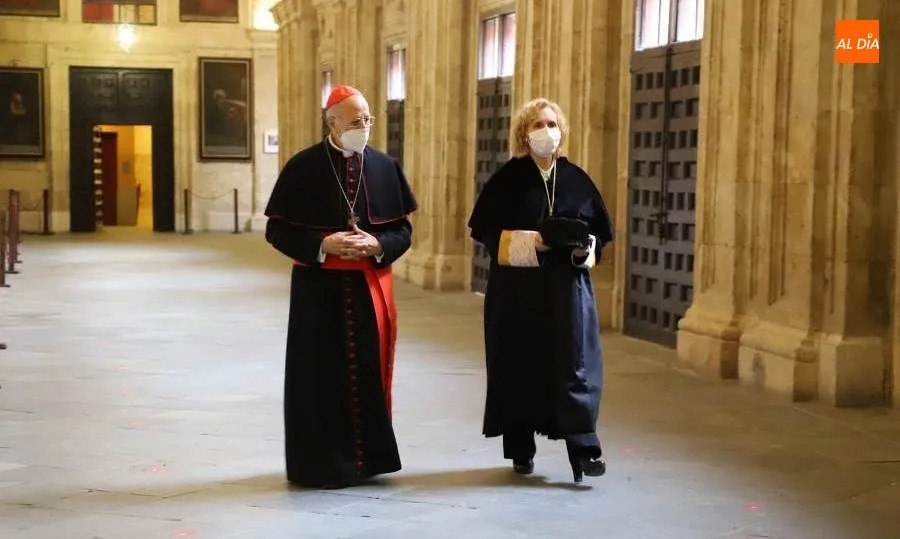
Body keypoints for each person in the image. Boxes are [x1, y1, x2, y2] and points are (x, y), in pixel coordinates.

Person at [263, 84, 417, 489]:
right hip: (318, 293)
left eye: (367, 119)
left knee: (367, 372)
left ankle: (368, 461)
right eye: (354, 121)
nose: (363, 127)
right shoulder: (303, 167)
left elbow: (404, 231)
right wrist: (321, 244)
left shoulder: (384, 166)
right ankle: (320, 464)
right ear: (331, 123)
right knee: (318, 377)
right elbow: (276, 230)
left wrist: (378, 243)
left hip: (368, 289)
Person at [467, 97, 614, 484]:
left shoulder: (577, 178)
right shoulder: (508, 178)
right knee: (518, 365)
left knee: (574, 365)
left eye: (551, 124)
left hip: (567, 290)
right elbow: (485, 232)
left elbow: (600, 232)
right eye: (537, 125)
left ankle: (584, 449)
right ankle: (520, 448)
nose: (546, 132)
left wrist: (585, 248)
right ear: (524, 134)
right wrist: (535, 242)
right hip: (518, 292)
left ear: (561, 130)